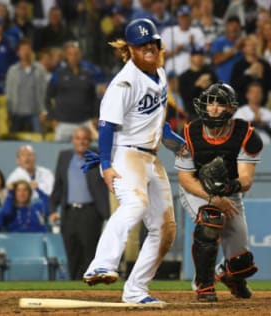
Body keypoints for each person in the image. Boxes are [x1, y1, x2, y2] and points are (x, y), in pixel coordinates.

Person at [82, 19, 177, 305]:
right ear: (130, 50)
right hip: (124, 154)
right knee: (136, 205)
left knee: (166, 229)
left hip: (150, 156)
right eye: (141, 44)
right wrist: (106, 165)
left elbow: (158, 123)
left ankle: (136, 290)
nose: (149, 47)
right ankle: (101, 264)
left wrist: (178, 145)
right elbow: (106, 126)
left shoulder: (160, 73)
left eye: (152, 43)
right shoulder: (124, 82)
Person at [175, 82, 262, 302]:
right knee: (210, 219)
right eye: (210, 102)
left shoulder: (246, 134)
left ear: (231, 108)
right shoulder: (188, 132)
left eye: (220, 103)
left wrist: (228, 190)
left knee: (241, 263)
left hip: (229, 193)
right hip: (197, 189)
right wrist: (213, 198)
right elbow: (185, 178)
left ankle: (230, 276)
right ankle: (204, 285)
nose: (213, 108)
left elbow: (246, 179)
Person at [49, 126, 110, 280]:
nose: (81, 142)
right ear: (73, 140)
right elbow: (58, 186)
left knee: (89, 254)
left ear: (90, 141)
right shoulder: (64, 157)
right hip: (69, 214)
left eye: (84, 139)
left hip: (90, 213)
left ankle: (90, 290)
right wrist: (52, 209)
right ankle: (74, 288)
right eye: (77, 138)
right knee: (72, 254)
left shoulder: (98, 157)